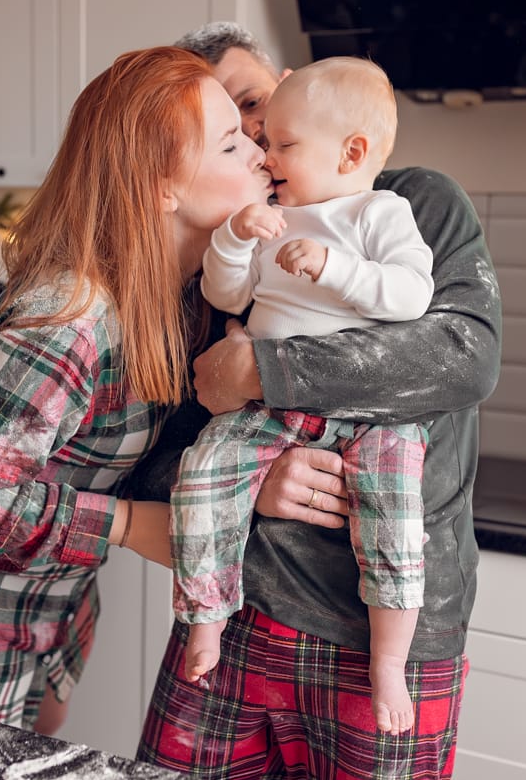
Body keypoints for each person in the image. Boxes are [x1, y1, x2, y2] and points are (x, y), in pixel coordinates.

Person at [132, 22, 502, 780]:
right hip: (237, 613)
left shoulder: (415, 202)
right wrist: (257, 480)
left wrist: (261, 370)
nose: (259, 144)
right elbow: (153, 453)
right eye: (230, 132)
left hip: (377, 633)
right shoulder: (225, 241)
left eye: (256, 107)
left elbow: (462, 354)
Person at [0, 46, 277, 736]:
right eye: (230, 142)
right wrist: (126, 525)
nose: (258, 149)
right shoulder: (70, 317)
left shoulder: (184, 295)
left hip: (57, 595)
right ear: (161, 186)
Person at [171, 56, 435, 737]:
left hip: (371, 416)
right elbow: (227, 296)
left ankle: (389, 661)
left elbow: (412, 296)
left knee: (394, 518)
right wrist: (234, 240)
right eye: (263, 141)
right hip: (268, 411)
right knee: (203, 470)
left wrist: (333, 266)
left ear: (351, 153)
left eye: (283, 143)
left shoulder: (381, 213)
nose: (266, 156)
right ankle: (205, 615)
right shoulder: (273, 217)